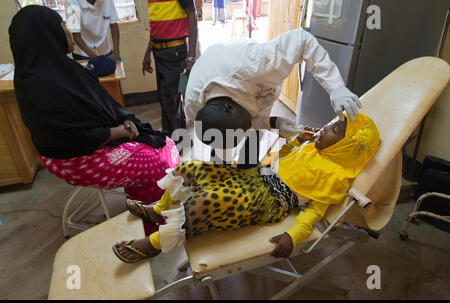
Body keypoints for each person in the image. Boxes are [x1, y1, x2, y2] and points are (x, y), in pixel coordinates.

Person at [112, 112, 379, 263]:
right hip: (255, 174)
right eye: (327, 123)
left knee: (207, 201)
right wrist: (294, 142)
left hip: (268, 200)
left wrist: (293, 236)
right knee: (191, 167)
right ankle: (160, 210)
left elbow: (313, 213)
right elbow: (280, 160)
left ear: (347, 147)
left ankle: (156, 242)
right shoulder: (311, 148)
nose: (321, 130)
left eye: (332, 131)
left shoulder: (335, 178)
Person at [9, 6, 180, 211]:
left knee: (164, 144)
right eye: (62, 25)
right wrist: (120, 130)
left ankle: (147, 205)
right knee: (161, 162)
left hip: (90, 144)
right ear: (46, 34)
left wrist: (123, 119)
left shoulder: (59, 70)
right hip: (75, 159)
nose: (67, 31)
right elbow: (72, 137)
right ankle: (152, 217)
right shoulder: (41, 85)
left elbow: (102, 106)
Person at [185, 27, 362, 168]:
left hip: (238, 62)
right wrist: (275, 123)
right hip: (216, 72)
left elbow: (302, 40)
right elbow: (238, 127)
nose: (249, 126)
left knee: (252, 149)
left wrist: (336, 87)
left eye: (247, 124)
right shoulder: (195, 106)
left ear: (229, 106)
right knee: (220, 162)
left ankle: (249, 172)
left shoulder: (256, 64)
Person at [142, 0, 198, 136]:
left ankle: (173, 143)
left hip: (174, 52)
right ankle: (181, 138)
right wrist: (147, 52)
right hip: (158, 52)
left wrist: (191, 58)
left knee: (170, 102)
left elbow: (192, 14)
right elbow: (157, 26)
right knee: (169, 100)